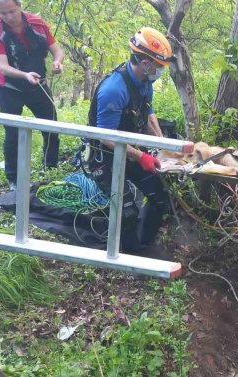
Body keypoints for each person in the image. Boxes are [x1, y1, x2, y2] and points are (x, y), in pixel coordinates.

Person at [86, 27, 173, 252]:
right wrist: (141, 156)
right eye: (159, 66)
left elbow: (148, 113)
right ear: (145, 63)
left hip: (131, 151)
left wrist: (163, 145)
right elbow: (106, 137)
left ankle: (145, 243)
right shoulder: (114, 90)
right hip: (105, 157)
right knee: (127, 212)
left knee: (161, 197)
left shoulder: (145, 82)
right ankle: (130, 259)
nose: (161, 71)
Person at [0, 0, 64, 191]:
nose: (9, 17)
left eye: (12, 11)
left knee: (51, 127)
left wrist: (57, 63)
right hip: (9, 87)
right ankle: (14, 179)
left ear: (20, 6)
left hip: (39, 84)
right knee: (12, 133)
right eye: (3, 13)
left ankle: (50, 170)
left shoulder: (37, 23)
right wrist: (25, 75)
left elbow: (57, 50)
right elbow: (2, 66)